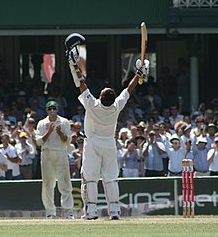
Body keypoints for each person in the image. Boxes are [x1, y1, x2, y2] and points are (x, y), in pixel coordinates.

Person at [65, 41, 148, 220]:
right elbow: (129, 89)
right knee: (110, 178)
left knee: (90, 178)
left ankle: (92, 212)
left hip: (93, 143)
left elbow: (81, 83)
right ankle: (115, 212)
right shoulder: (116, 106)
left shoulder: (92, 104)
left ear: (101, 96)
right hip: (109, 143)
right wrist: (138, 74)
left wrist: (74, 64)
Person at [36, 100, 74, 219]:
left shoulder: (64, 122)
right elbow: (39, 142)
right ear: (46, 110)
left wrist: (59, 132)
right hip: (47, 153)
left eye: (54, 108)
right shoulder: (42, 123)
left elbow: (68, 141)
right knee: (48, 184)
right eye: (49, 109)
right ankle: (50, 212)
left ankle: (68, 212)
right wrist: (49, 132)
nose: (52, 111)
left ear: (57, 109)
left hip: (60, 152)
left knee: (65, 183)